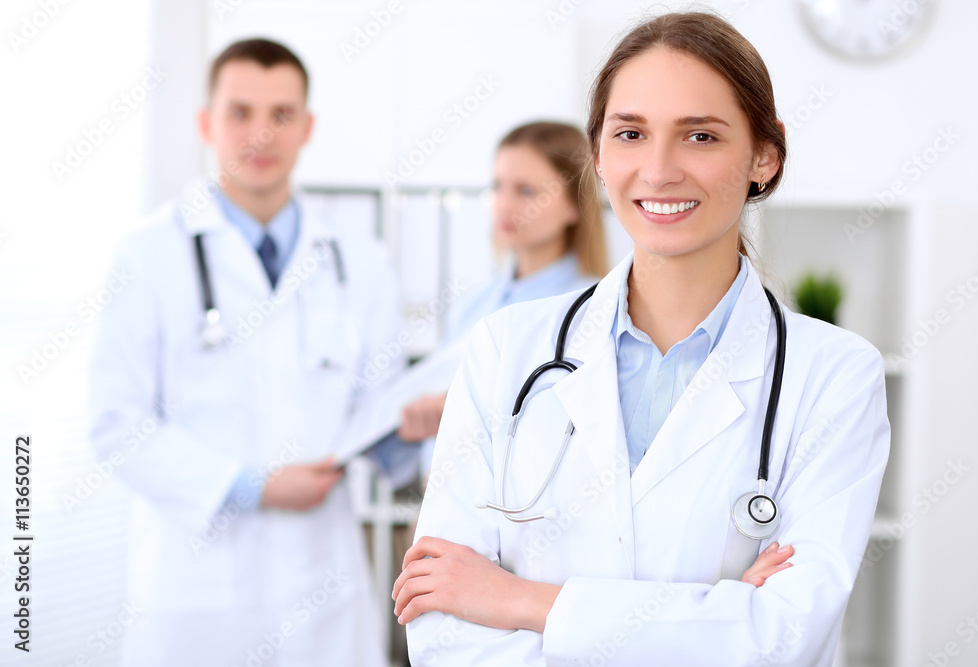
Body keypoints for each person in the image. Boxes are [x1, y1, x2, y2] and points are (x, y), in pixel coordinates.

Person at [393, 12, 890, 666]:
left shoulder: (835, 375)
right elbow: (442, 620)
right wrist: (714, 618)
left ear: (764, 157)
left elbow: (783, 639)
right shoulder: (505, 349)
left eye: (700, 136)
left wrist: (521, 598)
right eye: (630, 133)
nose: (658, 170)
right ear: (598, 155)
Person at [90, 38, 415, 666]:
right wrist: (249, 487)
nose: (261, 133)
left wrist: (413, 427)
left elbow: (379, 410)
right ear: (206, 123)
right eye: (240, 113)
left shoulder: (358, 259)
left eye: (281, 114)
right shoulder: (147, 255)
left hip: (323, 589)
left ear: (308, 126)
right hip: (197, 589)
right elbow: (117, 426)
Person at [398, 121, 609, 448]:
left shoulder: (594, 307)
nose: (504, 205)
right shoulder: (474, 303)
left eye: (526, 191)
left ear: (573, 204)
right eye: (498, 187)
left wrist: (465, 416)